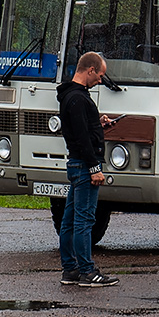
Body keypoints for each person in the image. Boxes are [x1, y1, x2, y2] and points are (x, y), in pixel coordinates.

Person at [56, 52, 120, 288]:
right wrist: (95, 167)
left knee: (70, 220)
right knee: (84, 220)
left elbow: (79, 128)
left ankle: (70, 268)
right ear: (90, 70)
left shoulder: (70, 96)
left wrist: (98, 123)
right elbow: (83, 138)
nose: (101, 81)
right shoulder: (79, 99)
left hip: (75, 164)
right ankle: (87, 271)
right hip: (84, 166)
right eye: (100, 75)